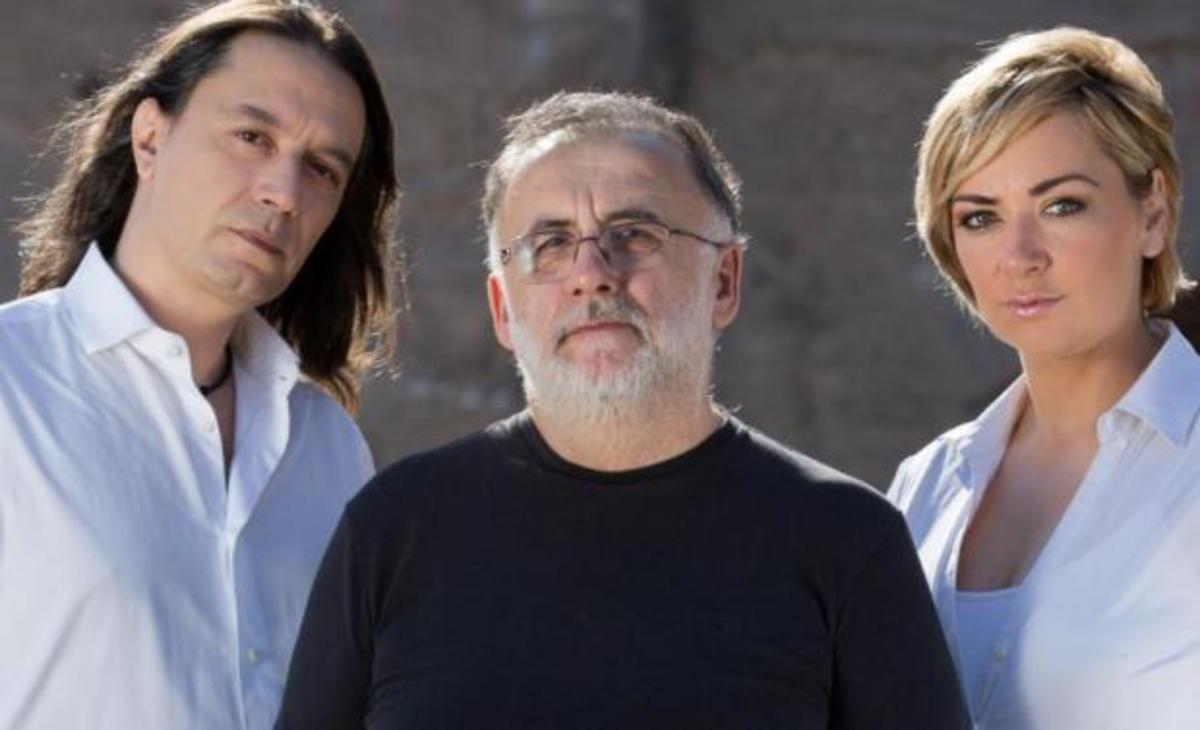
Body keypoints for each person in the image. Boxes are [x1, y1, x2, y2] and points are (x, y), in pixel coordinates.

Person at [275, 91, 968, 730]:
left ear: (724, 282)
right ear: (502, 309)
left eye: (635, 234)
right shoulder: (393, 530)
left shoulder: (848, 542)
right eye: (550, 245)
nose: (592, 274)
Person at [0, 1, 399, 727]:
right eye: (252, 137)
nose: (284, 192)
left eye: (322, 169)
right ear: (150, 138)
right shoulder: (12, 385)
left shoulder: (331, 449)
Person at [890, 27, 1200, 729]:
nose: (1020, 256)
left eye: (1063, 205)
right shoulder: (926, 486)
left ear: (1152, 215)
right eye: (981, 218)